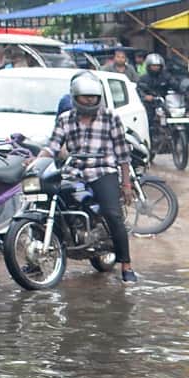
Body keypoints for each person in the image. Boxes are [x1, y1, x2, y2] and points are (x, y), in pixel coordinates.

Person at [39, 71, 138, 283]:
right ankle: (41, 256)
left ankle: (126, 265)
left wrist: (126, 183)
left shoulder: (111, 118)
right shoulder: (65, 119)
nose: (90, 101)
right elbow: (53, 146)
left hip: (102, 170)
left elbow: (122, 154)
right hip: (73, 171)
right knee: (47, 202)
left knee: (113, 214)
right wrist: (36, 161)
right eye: (86, 97)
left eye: (93, 97)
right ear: (75, 97)